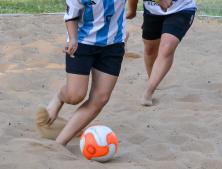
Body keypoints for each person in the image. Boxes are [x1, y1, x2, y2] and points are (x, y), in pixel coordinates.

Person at [37, 0, 127, 146]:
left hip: (113, 44)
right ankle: (61, 96)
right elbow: (71, 15)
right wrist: (72, 38)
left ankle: (59, 143)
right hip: (82, 42)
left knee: (101, 98)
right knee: (75, 96)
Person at [127, 0, 196, 106]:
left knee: (167, 47)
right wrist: (132, 9)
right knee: (150, 49)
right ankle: (153, 80)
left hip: (181, 8)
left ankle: (148, 92)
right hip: (153, 10)